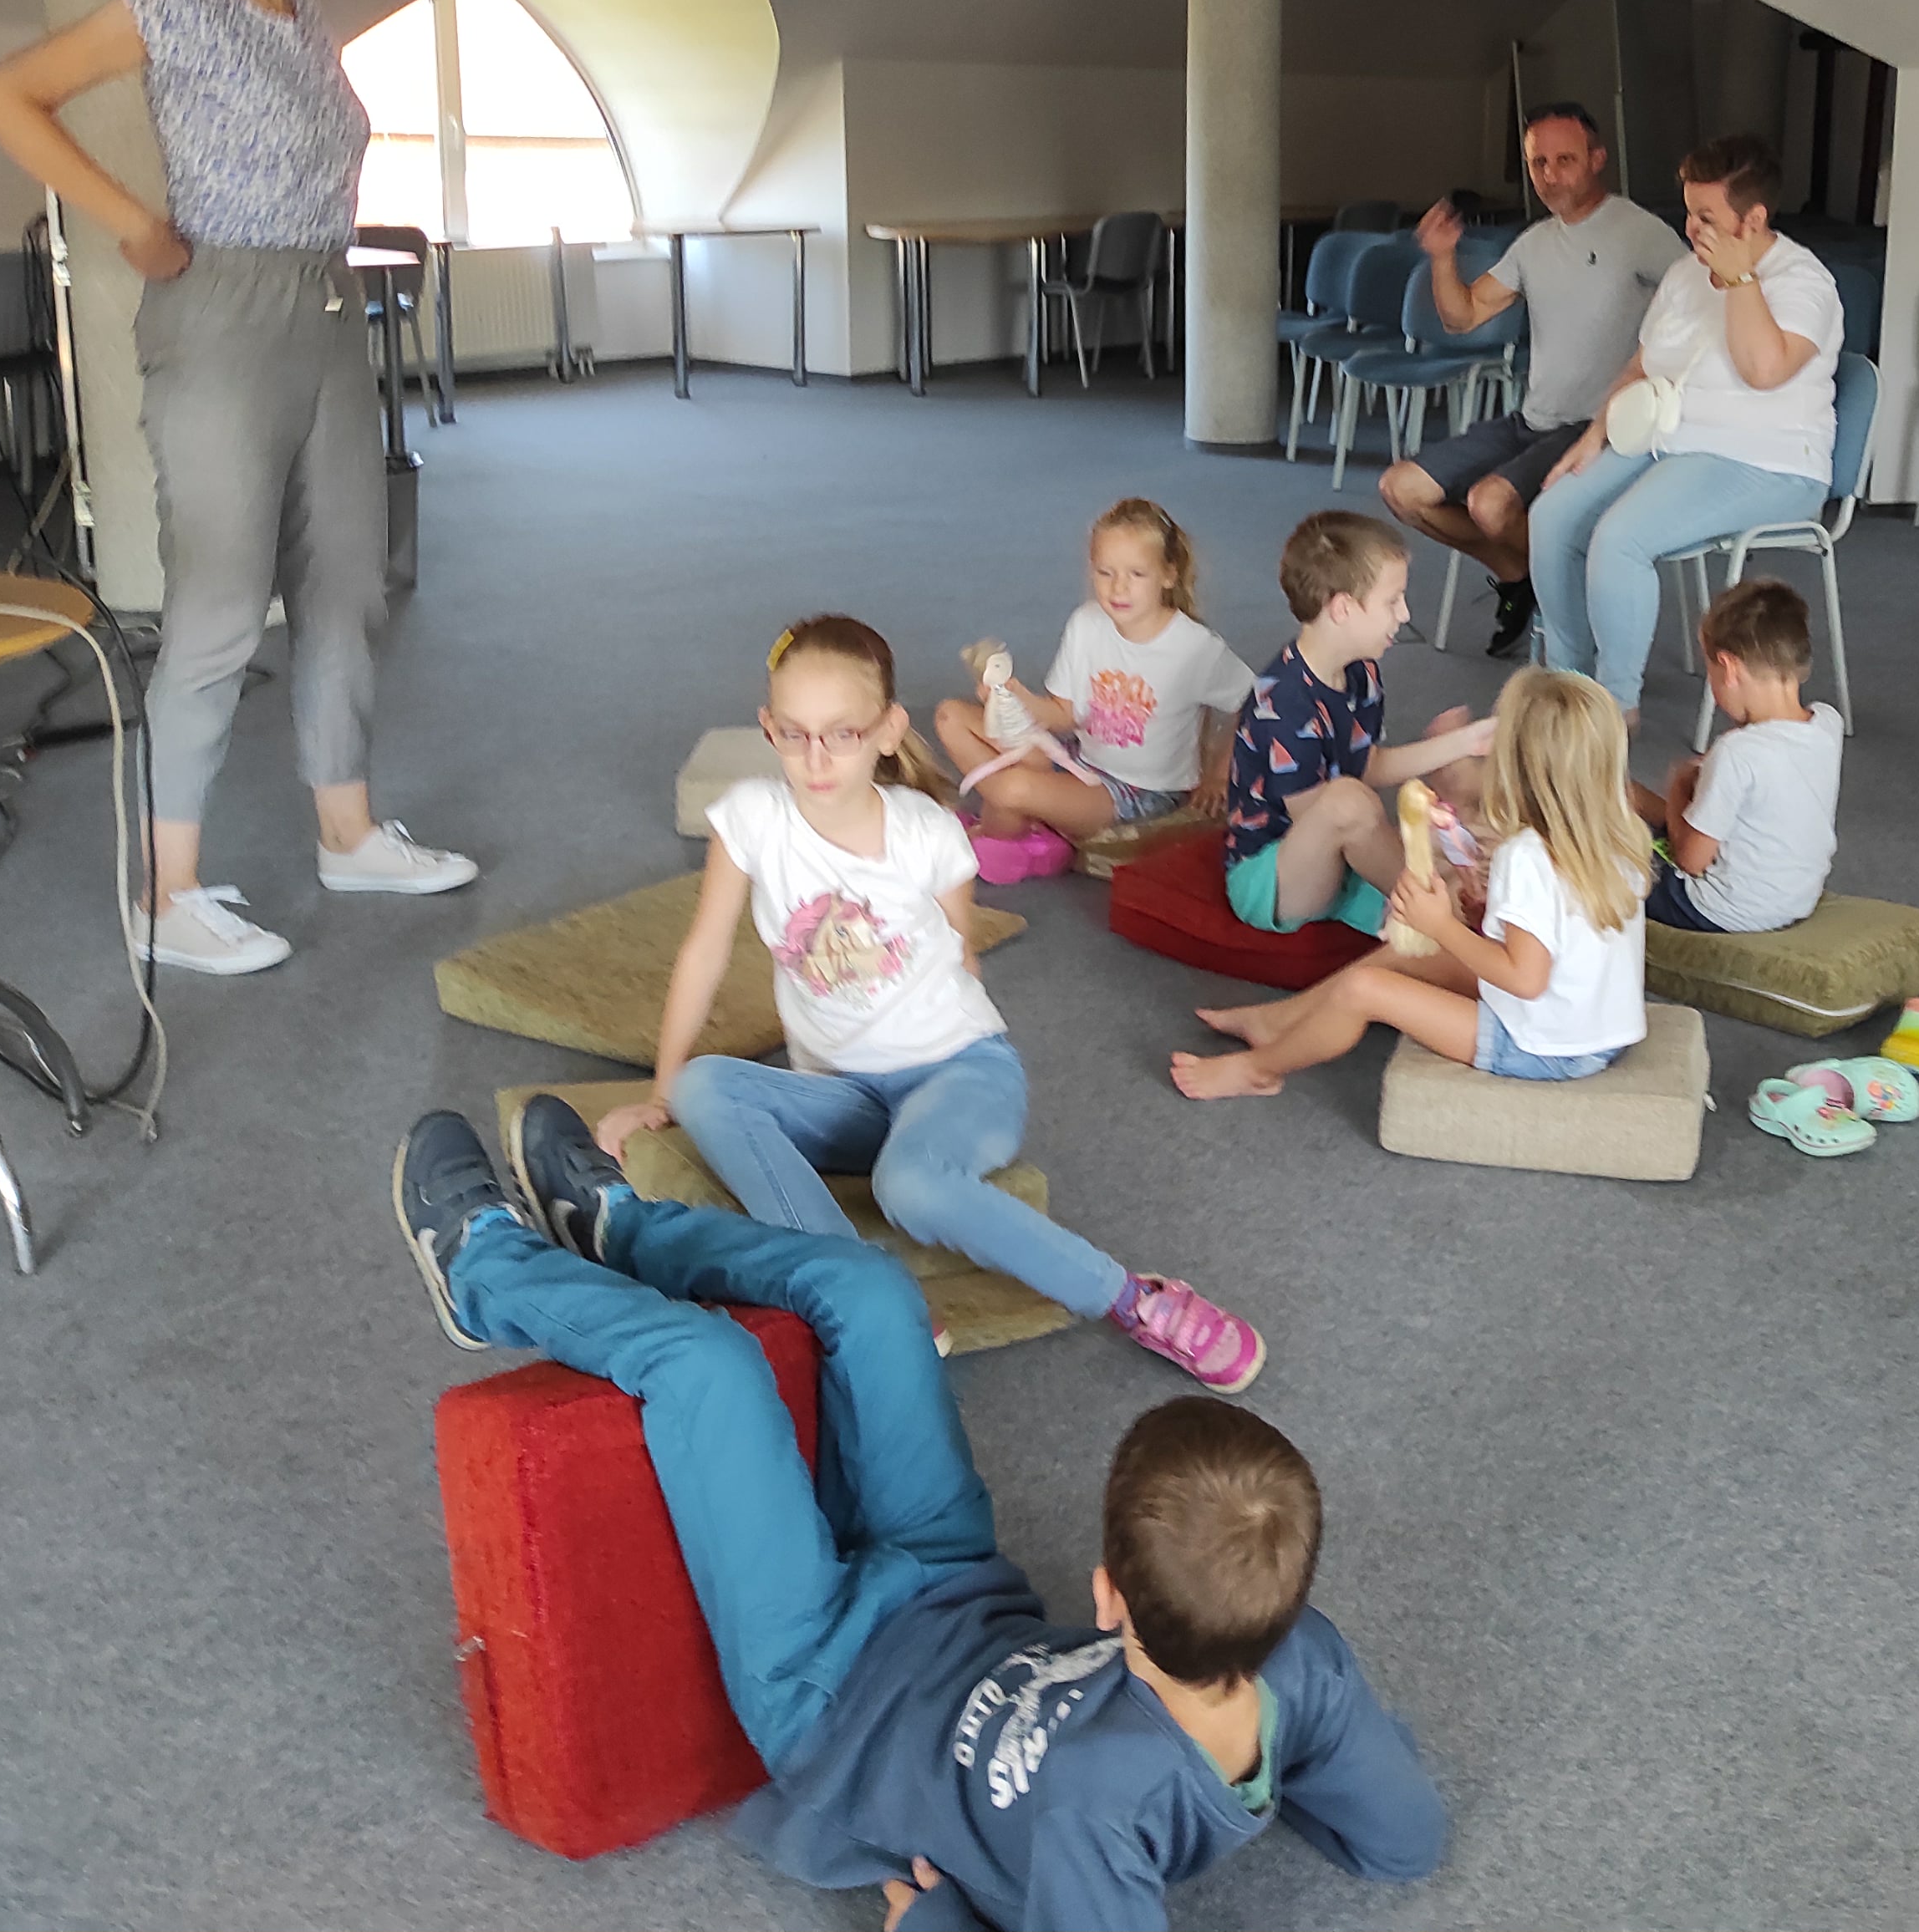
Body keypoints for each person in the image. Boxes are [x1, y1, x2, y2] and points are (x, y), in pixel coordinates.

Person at [394, 1102, 1448, 1931]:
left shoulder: (1094, 1810)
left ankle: (482, 1269)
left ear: (1107, 1596)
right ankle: (620, 1229)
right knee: (871, 1292)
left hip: (829, 1693)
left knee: (705, 1367)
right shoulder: (1304, 1659)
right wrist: (1264, 1777)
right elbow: (1404, 1842)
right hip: (959, 1591)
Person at [0, 0, 472, 975]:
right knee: (221, 606)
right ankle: (167, 893)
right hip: (223, 314)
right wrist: (131, 221)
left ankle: (348, 834)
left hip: (327, 305)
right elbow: (3, 96)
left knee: (346, 582)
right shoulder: (173, 4)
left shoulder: (306, 15)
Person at [604, 615, 1264, 1391]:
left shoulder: (925, 831)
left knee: (910, 1185)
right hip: (841, 1096)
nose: (816, 758)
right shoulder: (750, 817)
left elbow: (962, 956)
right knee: (704, 1087)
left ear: (888, 731)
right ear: (768, 728)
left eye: (842, 734)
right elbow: (705, 951)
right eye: (794, 734)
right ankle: (870, 1291)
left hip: (958, 1071)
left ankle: (1132, 1298)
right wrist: (660, 1093)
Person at [1173, 668, 1650, 1101]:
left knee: (1363, 989)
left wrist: (1441, 925)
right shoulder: (1618, 833)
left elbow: (1525, 980)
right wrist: (1480, 909)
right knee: (1410, 954)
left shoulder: (1527, 855)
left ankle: (1257, 1071)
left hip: (1541, 1047)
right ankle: (1277, 1020)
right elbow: (1558, 936)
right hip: (1599, 1031)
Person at [1525, 135, 1842, 717]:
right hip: (1669, 440)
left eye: (1707, 217)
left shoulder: (1804, 282)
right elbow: (1640, 366)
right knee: (1551, 515)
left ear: (1753, 219)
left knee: (1620, 540)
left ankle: (1614, 708)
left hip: (1767, 460)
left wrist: (1741, 282)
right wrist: (1594, 437)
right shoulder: (1684, 274)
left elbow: (1764, 371)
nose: (1691, 228)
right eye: (1689, 211)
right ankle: (1567, 684)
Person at [1377, 105, 1684, 655]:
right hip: (1533, 420)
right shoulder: (1534, 242)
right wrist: (1443, 257)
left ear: (1597, 160)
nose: (1550, 175)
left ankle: (1570, 594)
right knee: (1401, 490)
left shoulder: (1639, 232)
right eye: (1538, 163)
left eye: (1565, 160)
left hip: (1598, 426)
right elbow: (1463, 317)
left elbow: (1699, 304)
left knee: (1490, 505)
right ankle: (1523, 575)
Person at [1220, 512, 1495, 941]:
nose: (1405, 614)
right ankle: (1447, 921)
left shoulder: (1360, 670)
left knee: (1428, 821)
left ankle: (1439, 899)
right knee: (1356, 805)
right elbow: (1329, 816)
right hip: (1273, 877)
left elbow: (1369, 765)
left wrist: (1469, 741)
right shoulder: (1285, 704)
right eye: (1393, 601)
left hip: (1335, 849)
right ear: (1343, 608)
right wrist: (1413, 850)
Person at [931, 500, 1255, 858]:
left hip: (1140, 793)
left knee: (1012, 789)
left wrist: (1219, 775)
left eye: (1137, 574)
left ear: (1169, 574)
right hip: (1077, 760)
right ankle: (1024, 816)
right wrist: (1014, 697)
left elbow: (1257, 701)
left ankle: (1001, 830)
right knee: (950, 716)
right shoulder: (1086, 623)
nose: (1119, 588)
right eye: (1105, 573)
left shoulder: (1195, 647)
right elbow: (1063, 714)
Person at [1626, 578, 1841, 935]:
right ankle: (1622, 796)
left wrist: (1679, 785)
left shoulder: (1737, 753)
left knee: (1598, 852)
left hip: (1718, 908)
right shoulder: (1828, 723)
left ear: (1728, 668)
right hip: (1795, 898)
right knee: (1636, 799)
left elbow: (1690, 860)